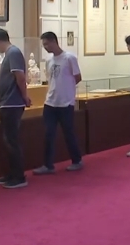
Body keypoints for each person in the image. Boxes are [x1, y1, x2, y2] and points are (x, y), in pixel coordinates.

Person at [32, 32, 84, 175]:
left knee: (68, 132)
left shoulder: (69, 58)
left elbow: (78, 77)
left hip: (65, 103)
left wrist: (67, 89)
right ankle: (48, 164)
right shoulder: (49, 60)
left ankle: (77, 160)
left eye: (47, 44)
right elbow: (50, 79)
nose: (45, 47)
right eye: (43, 45)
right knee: (48, 134)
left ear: (54, 42)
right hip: (50, 102)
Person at [0, 28, 32, 189]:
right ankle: (11, 173)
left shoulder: (13, 53)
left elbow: (20, 77)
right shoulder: (10, 54)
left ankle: (19, 176)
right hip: (7, 102)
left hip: (12, 103)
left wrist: (25, 96)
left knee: (12, 141)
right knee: (8, 141)